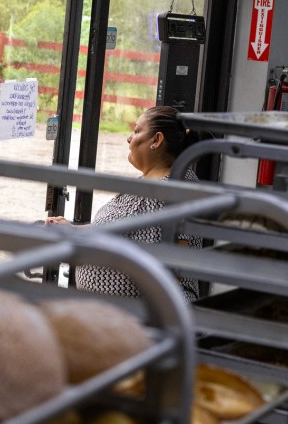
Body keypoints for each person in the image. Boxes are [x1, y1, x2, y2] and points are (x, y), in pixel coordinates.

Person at [46, 105, 203, 302]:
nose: (129, 138)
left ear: (157, 140)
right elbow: (115, 230)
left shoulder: (175, 190)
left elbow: (173, 268)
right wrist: (72, 230)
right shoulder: (146, 182)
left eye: (137, 131)